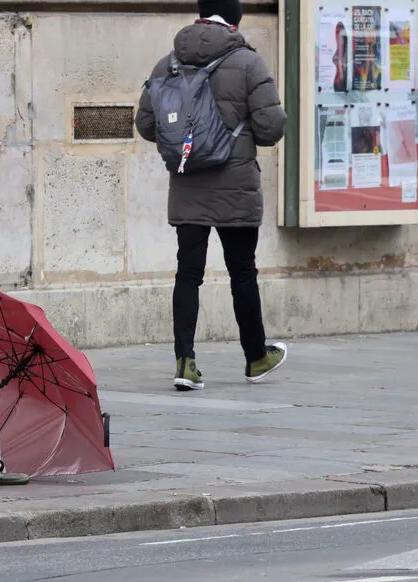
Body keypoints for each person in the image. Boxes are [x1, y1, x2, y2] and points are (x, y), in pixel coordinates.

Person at [135, 0, 289, 391]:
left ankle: (185, 362)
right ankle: (255, 357)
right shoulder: (249, 63)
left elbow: (147, 124)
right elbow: (271, 129)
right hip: (235, 184)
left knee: (188, 273)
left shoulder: (168, 62)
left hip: (188, 185)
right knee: (243, 272)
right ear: (235, 18)